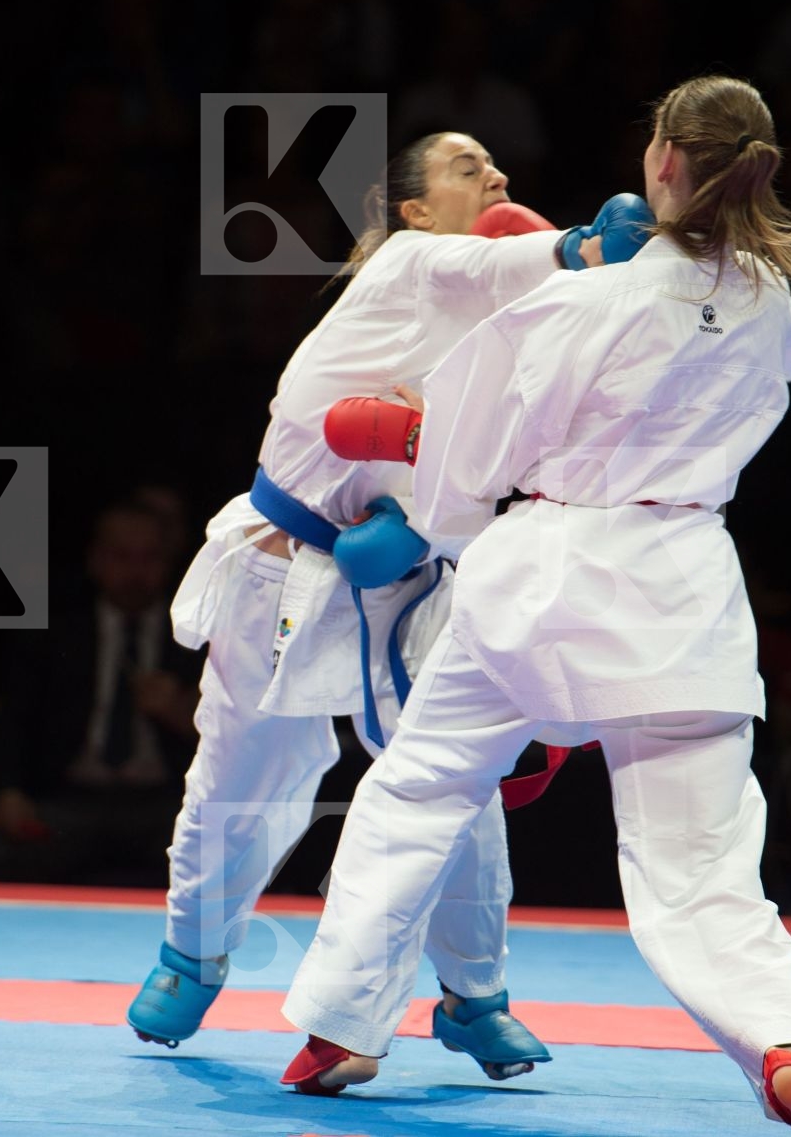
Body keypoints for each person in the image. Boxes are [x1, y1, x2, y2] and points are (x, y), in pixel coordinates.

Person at [280, 76, 791, 1137]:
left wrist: (418, 449)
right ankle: (786, 1046)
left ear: (661, 159)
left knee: (420, 786)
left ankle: (343, 1027)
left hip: (543, 569)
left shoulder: (576, 302)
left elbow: (474, 465)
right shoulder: (779, 309)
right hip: (683, 586)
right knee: (703, 863)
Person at [126, 129, 648, 1084]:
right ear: (414, 209)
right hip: (283, 565)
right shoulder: (410, 262)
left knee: (453, 782)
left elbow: (514, 470)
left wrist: (430, 524)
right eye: (466, 168)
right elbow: (494, 264)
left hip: (408, 587)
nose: (493, 176)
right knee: (243, 778)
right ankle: (191, 956)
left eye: (496, 167)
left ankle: (474, 997)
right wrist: (584, 244)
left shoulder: (523, 330)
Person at [0, 500, 202, 884]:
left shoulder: (199, 636)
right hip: (71, 799)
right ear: (96, 559)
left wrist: (183, 714)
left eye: (149, 558)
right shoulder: (55, 633)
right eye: (122, 557)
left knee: (230, 863)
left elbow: (244, 738)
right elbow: (13, 718)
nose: (136, 572)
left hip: (167, 804)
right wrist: (8, 791)